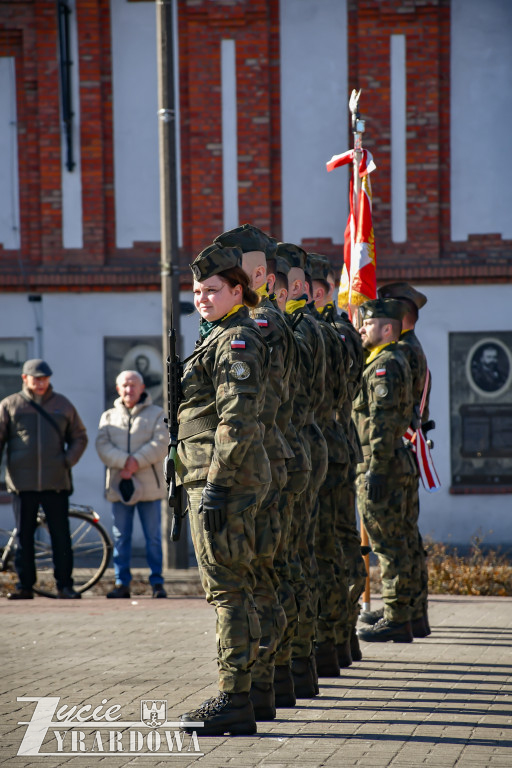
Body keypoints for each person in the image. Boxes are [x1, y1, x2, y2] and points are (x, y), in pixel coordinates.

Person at [177, 243, 271, 737]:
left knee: (228, 590)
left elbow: (237, 420)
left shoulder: (237, 340)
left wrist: (214, 487)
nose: (202, 298)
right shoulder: (216, 336)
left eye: (212, 289)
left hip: (223, 483)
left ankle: (235, 699)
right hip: (212, 479)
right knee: (237, 586)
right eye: (196, 291)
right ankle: (246, 692)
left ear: (239, 290)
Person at [214, 224, 293, 721]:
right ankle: (268, 684)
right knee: (264, 574)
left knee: (250, 580)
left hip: (253, 463)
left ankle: (254, 686)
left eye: (233, 274)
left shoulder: (256, 327)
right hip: (270, 458)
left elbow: (250, 413)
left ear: (255, 276)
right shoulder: (260, 324)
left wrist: (218, 482)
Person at [372, 282, 433, 637]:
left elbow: (391, 412)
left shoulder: (402, 352)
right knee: (405, 537)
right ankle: (410, 610)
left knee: (394, 539)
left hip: (394, 454)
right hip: (405, 452)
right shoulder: (411, 348)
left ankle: (401, 615)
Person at [353, 299, 415, 643]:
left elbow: (381, 424)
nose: (362, 328)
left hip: (382, 467)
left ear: (387, 328)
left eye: (369, 324)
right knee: (396, 543)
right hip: (390, 464)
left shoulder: (384, 367)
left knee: (388, 546)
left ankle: (396, 618)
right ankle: (401, 613)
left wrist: (374, 471)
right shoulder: (385, 360)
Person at [0, 359, 88, 600]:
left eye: (44, 378)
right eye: (35, 378)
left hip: (56, 482)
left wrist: (67, 461)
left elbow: (80, 436)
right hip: (22, 483)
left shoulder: (62, 404)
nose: (40, 383)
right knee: (24, 537)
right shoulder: (10, 405)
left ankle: (65, 586)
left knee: (60, 536)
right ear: (24, 378)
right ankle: (24, 587)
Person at [96, 370, 168, 599]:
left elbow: (161, 442)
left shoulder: (157, 414)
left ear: (142, 387)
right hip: (120, 487)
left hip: (150, 488)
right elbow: (102, 445)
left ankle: (157, 583)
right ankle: (121, 583)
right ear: (118, 389)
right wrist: (123, 462)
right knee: (120, 537)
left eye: (133, 385)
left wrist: (135, 462)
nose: (129, 389)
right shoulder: (108, 416)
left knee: (153, 539)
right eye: (124, 386)